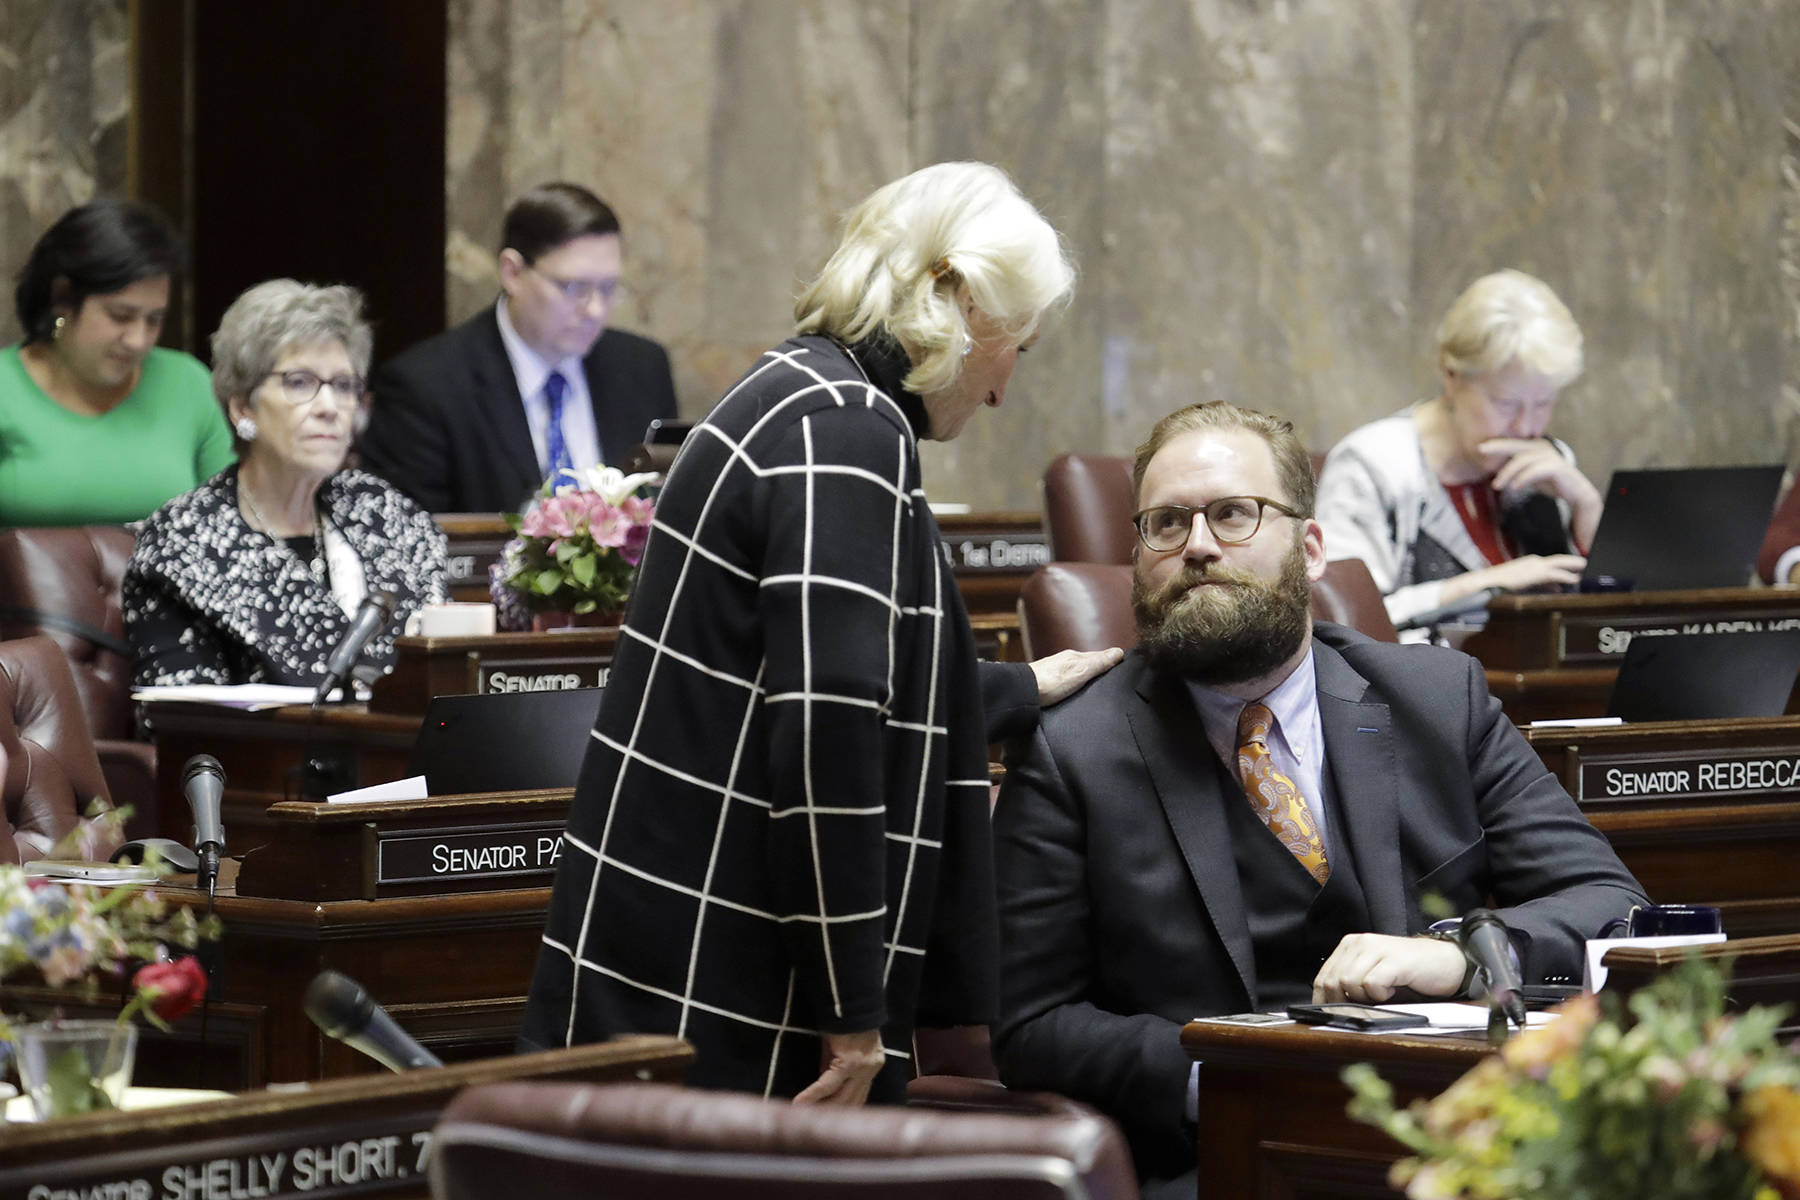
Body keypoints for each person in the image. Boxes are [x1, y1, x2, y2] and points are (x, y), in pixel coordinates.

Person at [520, 161, 1119, 1107]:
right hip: (728, 995)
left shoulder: (803, 393)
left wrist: (1011, 689)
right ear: (954, 297)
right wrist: (854, 1014)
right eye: (1021, 346)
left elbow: (821, 672)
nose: (1005, 387)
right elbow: (827, 737)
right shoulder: (848, 430)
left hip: (682, 958)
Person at [992, 401, 1646, 1197]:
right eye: (1165, 524)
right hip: (1226, 1155)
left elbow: (1610, 902)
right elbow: (1031, 1024)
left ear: (1310, 548)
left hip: (1457, 1139)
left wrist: (1458, 955)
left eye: (1234, 514)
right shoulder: (1075, 747)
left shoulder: (1439, 700)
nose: (1197, 546)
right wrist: (1232, 1077)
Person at [124, 280, 447, 687]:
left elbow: (441, 678)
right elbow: (179, 727)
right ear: (243, 406)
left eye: (344, 386)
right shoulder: (185, 541)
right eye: (300, 383)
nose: (330, 408)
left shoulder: (386, 515)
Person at [360, 182, 678, 514]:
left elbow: (670, 510)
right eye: (574, 287)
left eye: (608, 288)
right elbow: (417, 540)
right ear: (512, 272)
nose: (595, 309)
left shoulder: (643, 367)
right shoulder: (426, 387)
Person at [1315, 269, 1600, 633]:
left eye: (1544, 403)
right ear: (1451, 376)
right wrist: (1487, 584)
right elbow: (1341, 617)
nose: (1528, 428)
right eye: (1507, 403)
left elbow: (1594, 622)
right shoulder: (1372, 463)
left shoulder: (1550, 464)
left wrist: (1587, 510)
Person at [1, 198, 233, 526]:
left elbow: (231, 527)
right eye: (120, 316)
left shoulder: (186, 383)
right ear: (63, 298)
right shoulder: (6, 388)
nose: (138, 340)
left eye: (154, 320)